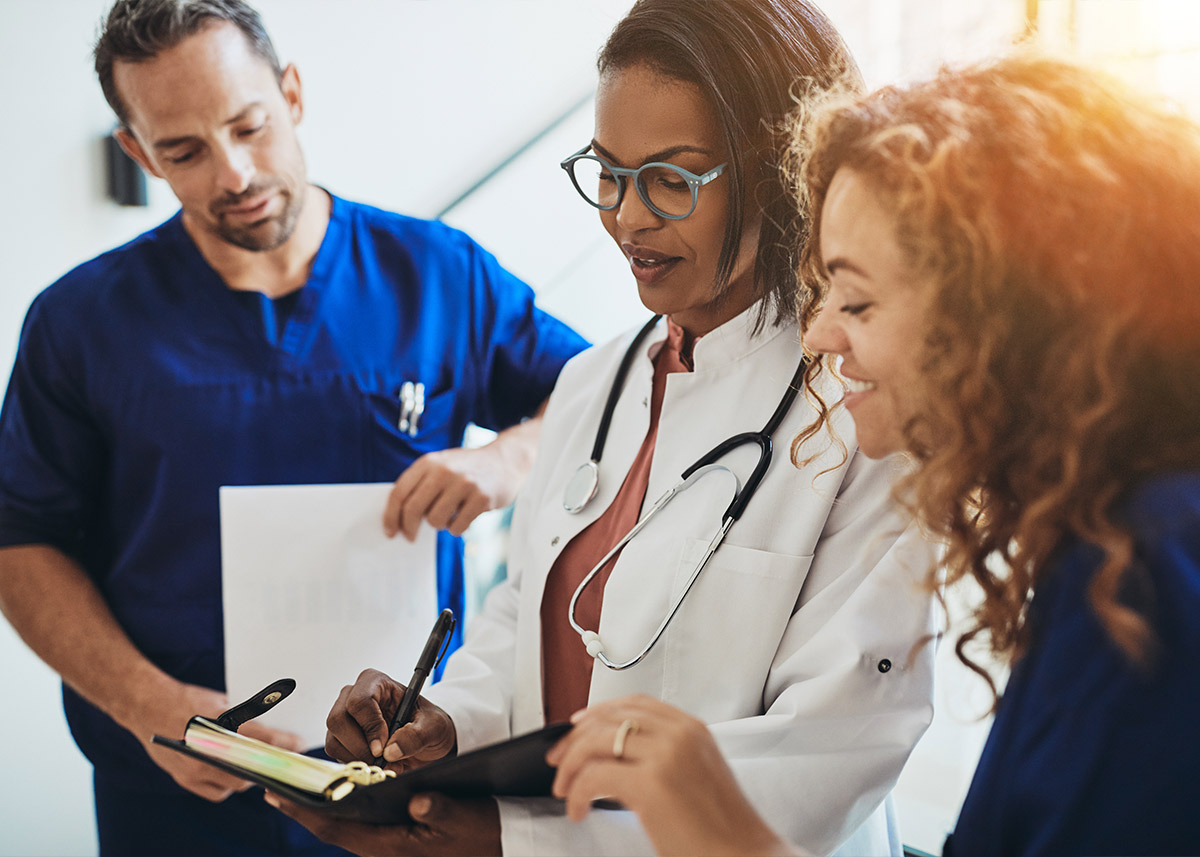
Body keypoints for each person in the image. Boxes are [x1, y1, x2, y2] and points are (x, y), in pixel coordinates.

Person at [268, 1, 939, 855]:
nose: (626, 216)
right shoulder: (591, 384)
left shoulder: (860, 412)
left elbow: (826, 755)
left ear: (779, 170)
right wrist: (443, 729)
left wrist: (517, 841)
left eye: (672, 178)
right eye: (608, 172)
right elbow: (523, 623)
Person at [546, 52, 1200, 856]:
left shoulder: (1149, 584)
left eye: (856, 298)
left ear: (1006, 316)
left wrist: (731, 834)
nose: (820, 333)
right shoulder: (1095, 554)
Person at [0, 1, 587, 855]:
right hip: (177, 794)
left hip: (406, 785)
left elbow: (602, 396)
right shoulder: (81, 324)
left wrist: (513, 454)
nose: (233, 173)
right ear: (137, 151)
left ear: (293, 94)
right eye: (183, 151)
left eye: (250, 125)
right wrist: (144, 701)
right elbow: (19, 538)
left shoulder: (436, 274)